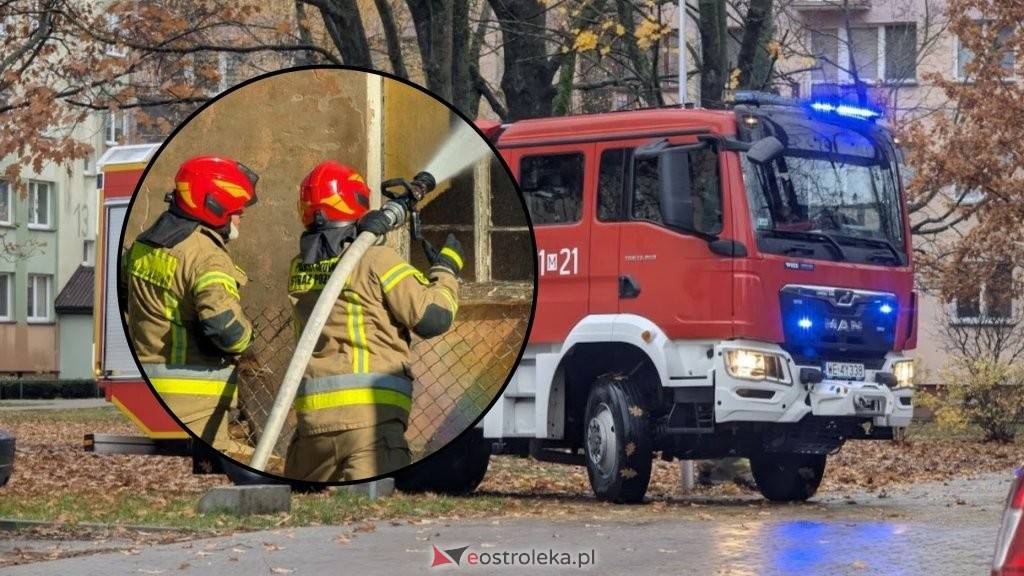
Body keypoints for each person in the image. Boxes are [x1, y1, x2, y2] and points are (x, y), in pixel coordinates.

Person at [284, 160, 463, 482]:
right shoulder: (375, 260)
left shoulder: (301, 266)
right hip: (370, 425)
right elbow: (432, 319)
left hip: (312, 429)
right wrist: (446, 274)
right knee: (369, 517)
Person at [123, 155, 258, 454]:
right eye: (236, 208)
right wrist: (248, 337)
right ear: (213, 206)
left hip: (152, 388)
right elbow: (226, 331)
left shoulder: (145, 245)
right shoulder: (206, 256)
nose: (241, 215)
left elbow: (123, 296)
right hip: (195, 401)